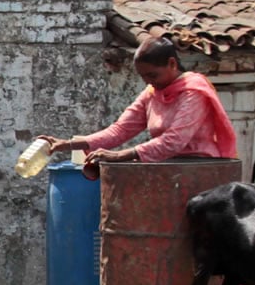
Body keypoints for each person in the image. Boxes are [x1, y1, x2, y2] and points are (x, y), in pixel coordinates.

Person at [38, 36, 237, 179]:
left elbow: (175, 141)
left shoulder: (193, 91)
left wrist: (121, 155)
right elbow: (120, 130)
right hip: (166, 169)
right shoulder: (152, 92)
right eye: (143, 77)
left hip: (199, 171)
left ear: (172, 63)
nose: (149, 82)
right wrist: (68, 144)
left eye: (152, 75)